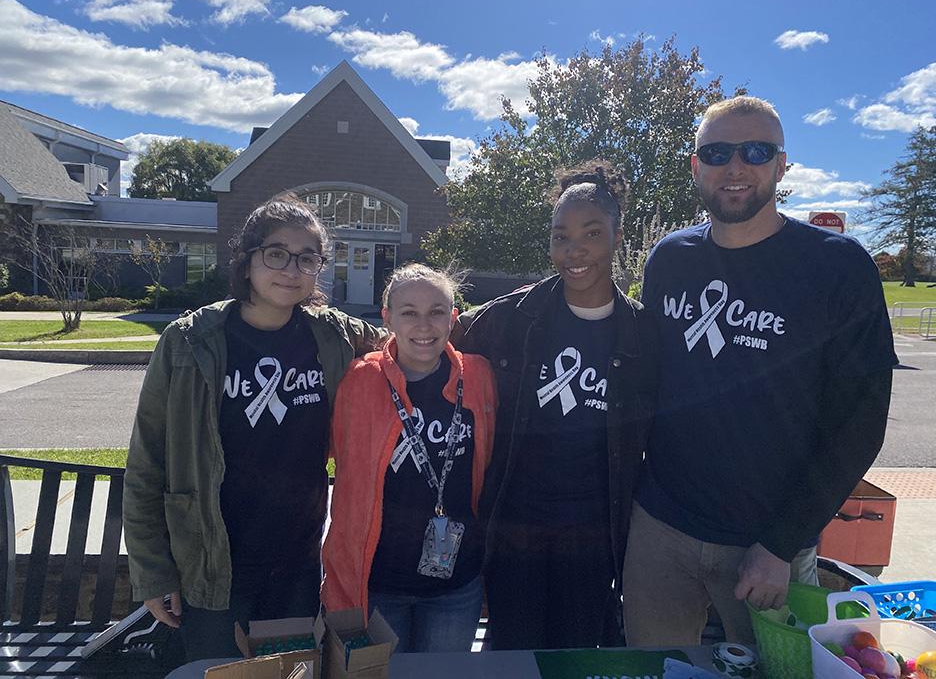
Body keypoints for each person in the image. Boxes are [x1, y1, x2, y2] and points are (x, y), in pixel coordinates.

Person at [621, 96, 897, 646]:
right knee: (650, 667)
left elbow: (860, 425)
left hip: (767, 545)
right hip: (660, 531)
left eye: (755, 151)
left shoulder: (838, 267)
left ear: (781, 164)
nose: (736, 166)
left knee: (776, 668)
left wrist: (781, 543)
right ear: (697, 166)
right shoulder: (669, 259)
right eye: (718, 152)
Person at [123, 194, 385, 661]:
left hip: (297, 562)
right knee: (218, 671)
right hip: (210, 564)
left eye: (308, 258)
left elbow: (416, 333)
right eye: (277, 254)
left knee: (293, 672)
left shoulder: (333, 335)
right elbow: (147, 461)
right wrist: (153, 572)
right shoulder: (189, 341)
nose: (291, 269)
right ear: (247, 260)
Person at [451, 162, 659, 650]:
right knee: (513, 653)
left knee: (579, 651)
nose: (574, 249)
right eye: (560, 236)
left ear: (617, 235)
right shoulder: (509, 318)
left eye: (591, 233)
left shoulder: (644, 334)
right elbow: (433, 348)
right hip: (515, 529)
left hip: (594, 535)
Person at [321, 263, 497, 653]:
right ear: (387, 318)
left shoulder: (480, 378)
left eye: (436, 312)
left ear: (452, 319)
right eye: (409, 312)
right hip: (379, 583)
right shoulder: (357, 382)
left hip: (456, 583)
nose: (424, 325)